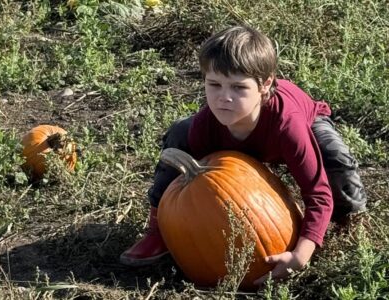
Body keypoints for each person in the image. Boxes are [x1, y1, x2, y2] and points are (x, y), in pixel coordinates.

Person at [119, 25, 367, 285]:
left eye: (239, 88)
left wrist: (301, 254)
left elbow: (317, 192)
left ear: (265, 84)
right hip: (241, 145)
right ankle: (158, 229)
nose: (224, 97)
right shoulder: (207, 125)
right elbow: (209, 185)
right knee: (180, 133)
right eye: (214, 84)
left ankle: (348, 218)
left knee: (334, 155)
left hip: (302, 125)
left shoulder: (288, 126)